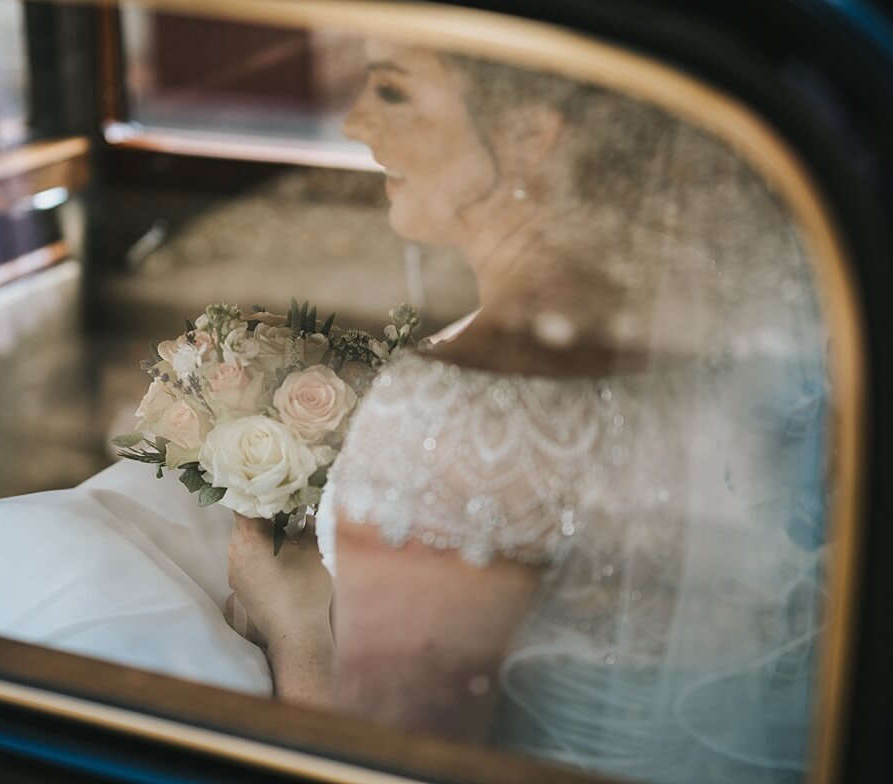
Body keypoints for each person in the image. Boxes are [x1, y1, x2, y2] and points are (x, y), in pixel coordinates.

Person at [225, 42, 828, 783]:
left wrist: (292, 624)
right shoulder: (738, 316)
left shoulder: (455, 411)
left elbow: (387, 769)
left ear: (529, 136)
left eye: (392, 91)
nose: (354, 122)